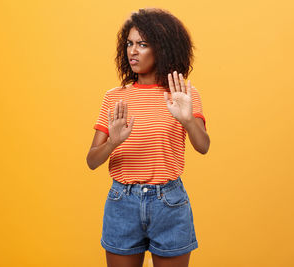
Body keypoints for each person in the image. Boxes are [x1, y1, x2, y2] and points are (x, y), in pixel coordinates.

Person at [86, 8, 210, 267]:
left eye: (142, 44)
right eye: (129, 44)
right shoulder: (114, 97)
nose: (133, 51)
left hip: (170, 202)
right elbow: (92, 161)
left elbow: (203, 146)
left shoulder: (183, 94)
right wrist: (113, 142)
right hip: (122, 202)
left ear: (163, 48)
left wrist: (187, 119)